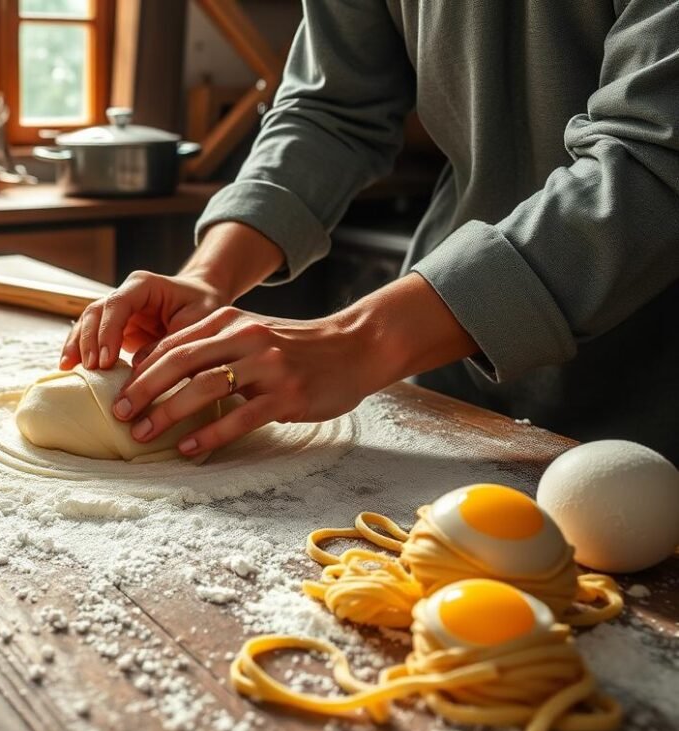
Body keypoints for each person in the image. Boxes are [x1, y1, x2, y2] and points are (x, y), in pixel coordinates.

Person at [60, 0, 679, 463]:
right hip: (452, 381)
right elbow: (330, 109)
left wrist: (360, 338)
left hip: (652, 398)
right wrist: (206, 277)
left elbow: (653, 165)